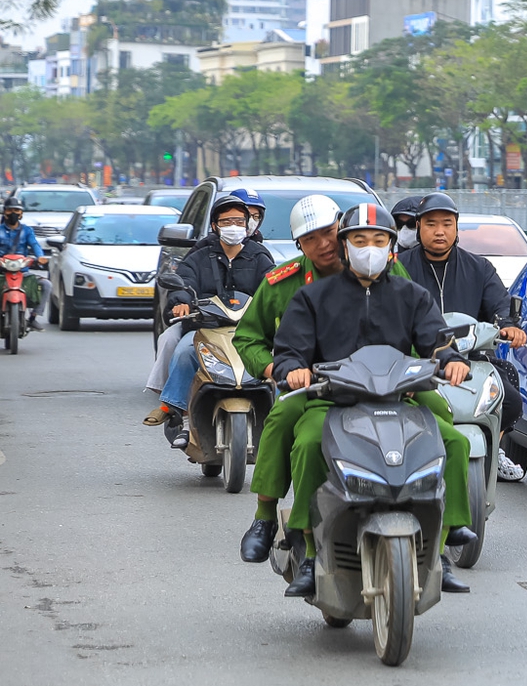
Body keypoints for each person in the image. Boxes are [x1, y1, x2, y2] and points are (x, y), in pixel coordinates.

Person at [247, 204, 471, 596]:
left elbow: (436, 340)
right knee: (309, 442)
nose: (370, 248)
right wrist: (292, 368)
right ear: (346, 246)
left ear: (392, 248)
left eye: (379, 240)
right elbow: (288, 350)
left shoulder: (411, 294)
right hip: (330, 400)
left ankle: (441, 550)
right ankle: (310, 549)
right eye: (360, 240)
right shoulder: (311, 296)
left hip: (398, 396)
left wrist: (450, 360)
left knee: (453, 440)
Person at [394, 191, 527, 480]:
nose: (439, 231)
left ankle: (493, 446)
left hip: (470, 357)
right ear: (419, 227)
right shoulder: (399, 267)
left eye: (446, 223)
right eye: (430, 224)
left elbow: (499, 305)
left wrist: (508, 325)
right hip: (416, 357)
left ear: (457, 227)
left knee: (510, 399)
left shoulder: (479, 268)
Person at [147, 189, 276, 450]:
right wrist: (181, 301)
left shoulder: (259, 255)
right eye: (227, 222)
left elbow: (273, 285)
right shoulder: (199, 256)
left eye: (239, 221)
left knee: (280, 359)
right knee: (183, 352)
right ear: (215, 225)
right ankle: (177, 414)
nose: (234, 227)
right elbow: (183, 282)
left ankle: (284, 417)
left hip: (248, 329)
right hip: (205, 326)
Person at [0, 196, 47, 330]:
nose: (13, 213)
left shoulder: (27, 231)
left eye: (16, 210)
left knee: (46, 285)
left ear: (21, 214)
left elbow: (35, 245)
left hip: (22, 272)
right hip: (2, 272)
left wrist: (40, 257)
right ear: (4, 212)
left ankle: (33, 317)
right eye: (10, 210)